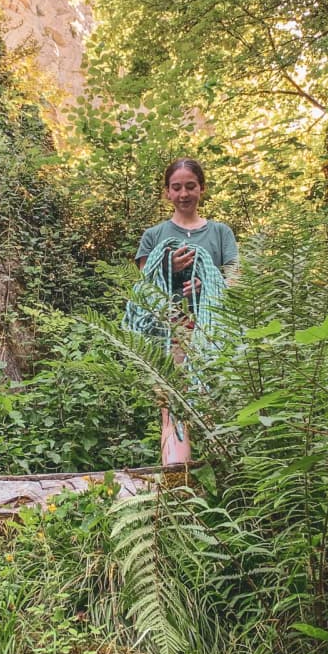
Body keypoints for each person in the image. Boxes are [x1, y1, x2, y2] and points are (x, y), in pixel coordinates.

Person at [133, 158, 238, 466]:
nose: (183, 194)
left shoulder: (220, 233)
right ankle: (177, 479)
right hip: (171, 332)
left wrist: (207, 283)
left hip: (214, 332)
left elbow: (234, 279)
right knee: (174, 404)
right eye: (176, 187)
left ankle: (223, 477)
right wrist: (167, 267)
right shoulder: (154, 236)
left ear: (201, 189)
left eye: (190, 186)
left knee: (214, 402)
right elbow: (144, 289)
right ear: (167, 192)